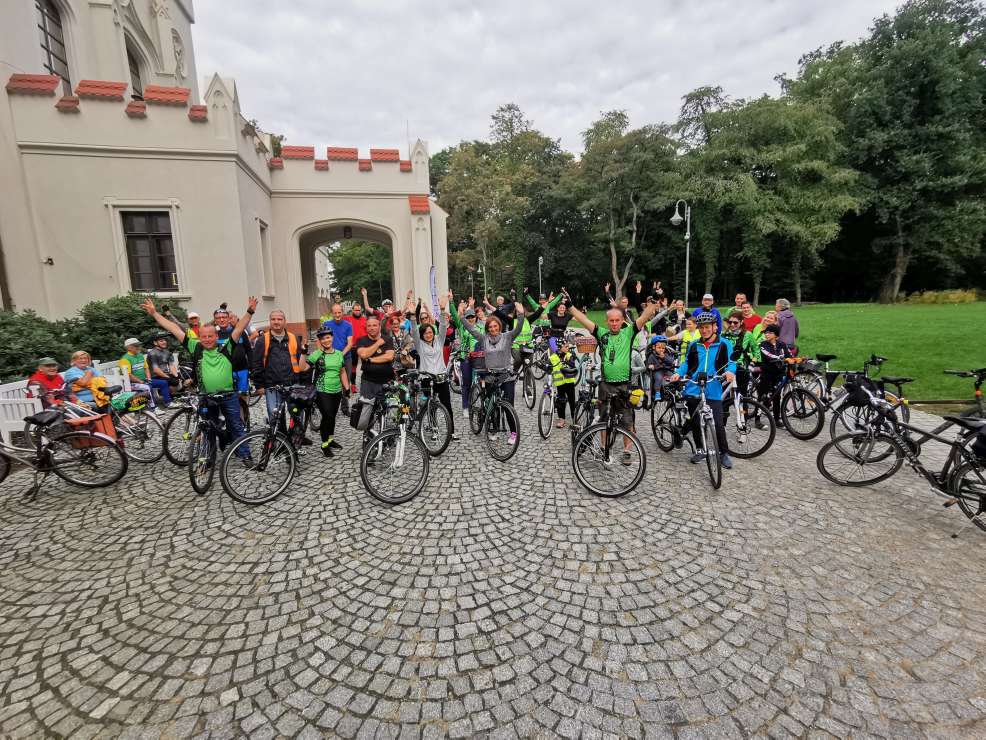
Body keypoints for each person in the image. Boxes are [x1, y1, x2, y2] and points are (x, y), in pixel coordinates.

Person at [142, 296, 257, 461]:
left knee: (236, 426)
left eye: (210, 336)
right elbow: (174, 328)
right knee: (208, 429)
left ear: (216, 337)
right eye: (204, 337)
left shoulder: (226, 347)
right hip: (206, 396)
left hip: (228, 395)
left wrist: (250, 311)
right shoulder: (195, 347)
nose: (207, 339)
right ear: (200, 338)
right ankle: (208, 459)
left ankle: (245, 455)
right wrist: (154, 314)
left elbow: (239, 328)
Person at [567, 298, 664, 463]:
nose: (614, 323)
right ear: (607, 321)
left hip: (624, 384)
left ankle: (627, 450)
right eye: (611, 320)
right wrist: (569, 306)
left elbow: (644, 317)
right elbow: (584, 320)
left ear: (622, 321)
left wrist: (653, 301)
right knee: (604, 419)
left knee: (627, 420)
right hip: (605, 384)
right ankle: (604, 447)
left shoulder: (629, 332)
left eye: (617, 320)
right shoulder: (601, 334)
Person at [450, 290, 526, 442]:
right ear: (487, 329)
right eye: (490, 327)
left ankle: (513, 432)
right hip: (490, 375)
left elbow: (518, 328)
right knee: (492, 404)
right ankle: (494, 427)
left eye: (495, 326)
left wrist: (521, 314)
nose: (492, 329)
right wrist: (461, 315)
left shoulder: (507, 336)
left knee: (508, 404)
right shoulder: (483, 338)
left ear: (499, 326)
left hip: (506, 376)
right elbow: (470, 329)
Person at [668, 312, 736, 470]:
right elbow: (686, 363)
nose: (704, 330)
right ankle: (700, 449)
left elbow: (731, 362)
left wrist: (730, 371)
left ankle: (723, 453)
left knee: (718, 423)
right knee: (696, 422)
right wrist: (679, 373)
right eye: (701, 328)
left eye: (707, 327)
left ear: (715, 327)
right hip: (693, 387)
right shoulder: (694, 345)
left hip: (713, 387)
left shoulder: (724, 344)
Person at [251, 309, 308, 436]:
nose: (276, 322)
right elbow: (256, 364)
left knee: (296, 414)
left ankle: (295, 440)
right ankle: (280, 443)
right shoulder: (262, 340)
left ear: (285, 321)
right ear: (270, 321)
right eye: (273, 319)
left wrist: (302, 381)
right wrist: (259, 385)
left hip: (292, 384)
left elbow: (300, 361)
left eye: (279, 319)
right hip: (272, 386)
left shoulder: (293, 338)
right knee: (275, 417)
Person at [413, 293, 457, 439]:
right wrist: (414, 317)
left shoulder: (439, 340)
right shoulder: (419, 345)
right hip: (426, 378)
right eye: (425, 333)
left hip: (441, 376)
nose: (428, 335)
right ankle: (434, 428)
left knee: (446, 404)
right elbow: (414, 331)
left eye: (430, 332)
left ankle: (451, 431)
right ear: (422, 335)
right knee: (430, 406)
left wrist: (443, 310)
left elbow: (443, 326)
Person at [308, 327, 350, 456]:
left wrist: (347, 388)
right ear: (320, 341)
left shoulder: (338, 354)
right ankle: (324, 444)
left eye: (328, 337)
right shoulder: (317, 354)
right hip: (322, 390)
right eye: (323, 338)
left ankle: (330, 440)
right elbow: (303, 367)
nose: (326, 340)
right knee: (327, 416)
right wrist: (304, 352)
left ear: (332, 338)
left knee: (332, 416)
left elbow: (342, 371)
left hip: (336, 390)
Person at [322, 303, 354, 414]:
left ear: (342, 312)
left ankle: (345, 408)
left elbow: (350, 343)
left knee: (346, 383)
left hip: (346, 358)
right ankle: (331, 407)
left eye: (339, 312)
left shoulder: (348, 325)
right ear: (332, 313)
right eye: (335, 313)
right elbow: (321, 341)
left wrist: (340, 354)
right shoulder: (326, 324)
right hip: (330, 358)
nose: (337, 315)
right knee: (331, 382)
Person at [354, 315, 396, 402]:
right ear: (366, 327)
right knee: (366, 410)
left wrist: (371, 359)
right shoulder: (361, 340)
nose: (372, 328)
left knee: (388, 411)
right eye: (369, 326)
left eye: (374, 325)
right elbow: (364, 354)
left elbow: (389, 357)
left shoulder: (388, 339)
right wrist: (377, 344)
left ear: (379, 327)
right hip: (368, 382)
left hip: (387, 381)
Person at [757, 323, 792, 421]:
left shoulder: (782, 344)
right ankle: (757, 419)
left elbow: (789, 354)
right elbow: (768, 355)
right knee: (762, 396)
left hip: (779, 374)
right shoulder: (762, 344)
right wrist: (781, 358)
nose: (766, 334)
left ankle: (777, 419)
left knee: (777, 397)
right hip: (767, 373)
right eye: (766, 333)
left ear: (776, 335)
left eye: (769, 333)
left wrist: (795, 359)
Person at [721, 312, 760, 395]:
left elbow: (756, 351)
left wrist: (752, 364)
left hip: (741, 367)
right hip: (725, 368)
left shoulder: (748, 335)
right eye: (730, 322)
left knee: (742, 395)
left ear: (741, 322)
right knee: (724, 396)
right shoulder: (723, 335)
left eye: (735, 322)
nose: (732, 324)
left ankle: (743, 407)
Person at [455, 306, 481, 419]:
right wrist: (451, 303)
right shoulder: (462, 327)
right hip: (465, 358)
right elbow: (457, 318)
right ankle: (465, 407)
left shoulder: (481, 327)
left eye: (472, 317)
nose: (470, 319)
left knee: (479, 383)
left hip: (479, 358)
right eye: (468, 317)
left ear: (475, 317)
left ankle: (475, 403)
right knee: (466, 383)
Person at [549, 338, 578, 428]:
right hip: (560, 383)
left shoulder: (569, 355)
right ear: (559, 347)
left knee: (572, 401)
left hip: (569, 382)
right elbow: (548, 367)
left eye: (568, 346)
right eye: (565, 346)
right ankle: (562, 419)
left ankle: (574, 418)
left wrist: (568, 361)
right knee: (561, 401)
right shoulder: (552, 357)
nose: (567, 348)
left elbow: (572, 364)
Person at [146, 332, 180, 407]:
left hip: (165, 374)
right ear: (155, 342)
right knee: (170, 381)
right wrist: (168, 377)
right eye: (161, 341)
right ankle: (167, 401)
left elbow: (171, 365)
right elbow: (156, 370)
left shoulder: (167, 352)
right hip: (155, 376)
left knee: (179, 378)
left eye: (165, 340)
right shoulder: (152, 353)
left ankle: (173, 396)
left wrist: (176, 375)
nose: (164, 342)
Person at [644, 336, 676, 402]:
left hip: (666, 369)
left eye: (663, 348)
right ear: (654, 347)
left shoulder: (666, 354)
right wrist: (650, 366)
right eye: (659, 348)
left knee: (673, 376)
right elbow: (648, 364)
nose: (661, 350)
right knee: (658, 378)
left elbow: (671, 361)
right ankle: (657, 392)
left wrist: (664, 357)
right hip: (657, 370)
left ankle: (674, 390)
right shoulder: (652, 355)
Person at [345, 301, 368, 388]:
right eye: (356, 310)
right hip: (353, 346)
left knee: (366, 365)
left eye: (359, 310)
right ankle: (353, 384)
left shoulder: (365, 320)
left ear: (361, 310)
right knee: (353, 366)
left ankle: (365, 383)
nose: (357, 312)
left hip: (363, 346)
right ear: (352, 310)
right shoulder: (347, 319)